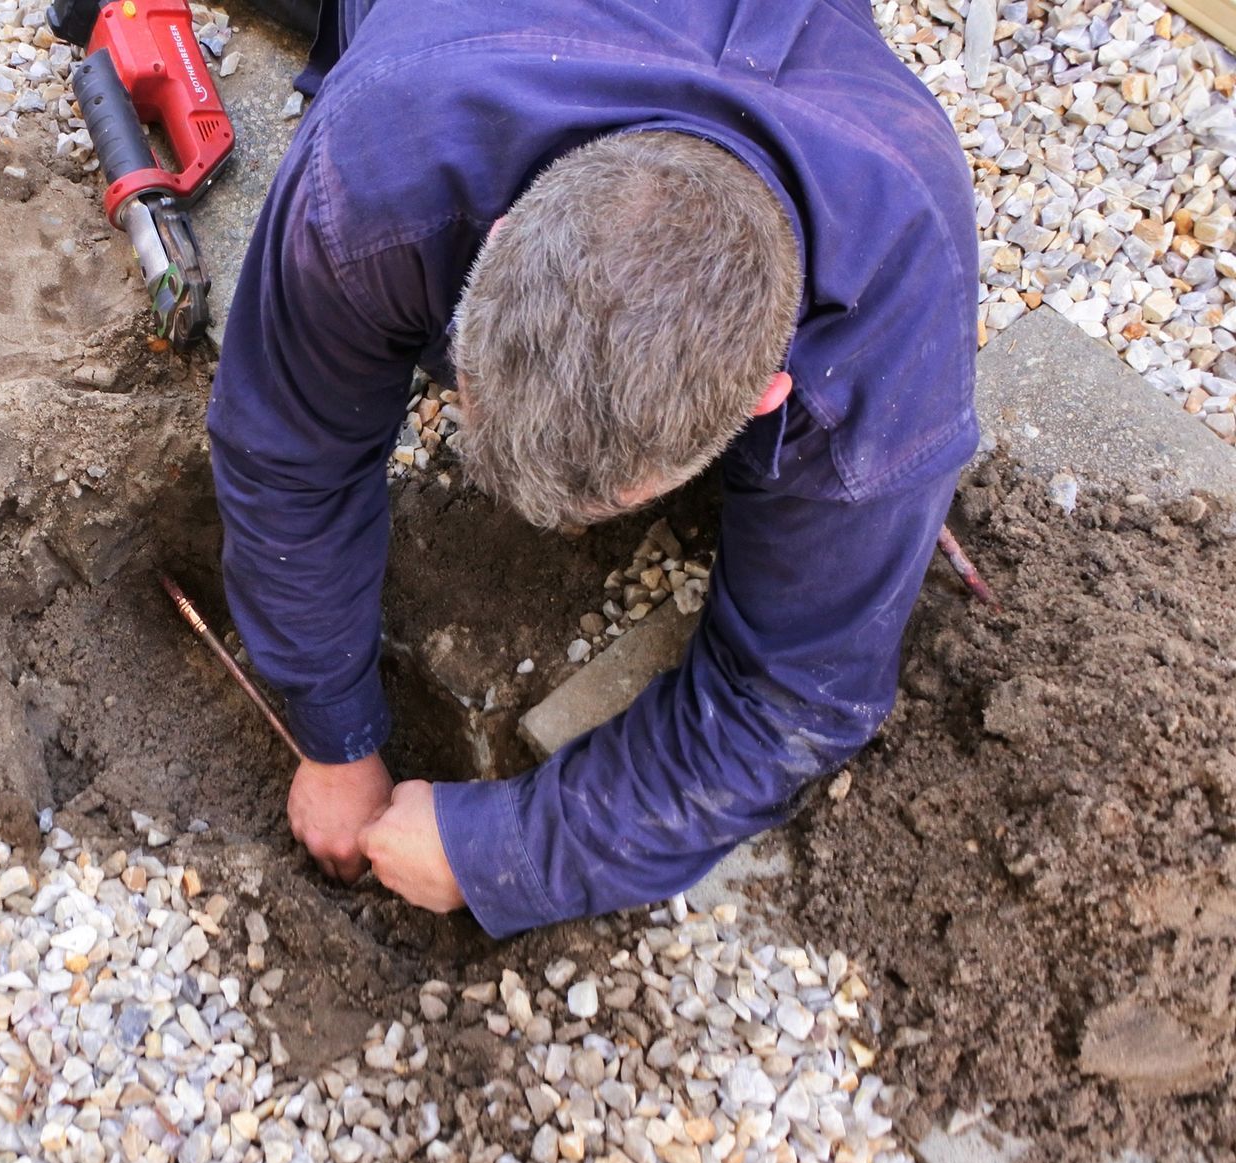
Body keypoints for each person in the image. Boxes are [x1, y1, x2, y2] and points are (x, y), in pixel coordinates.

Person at [207, 0, 980, 937]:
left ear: (765, 400)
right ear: (496, 239)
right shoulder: (378, 156)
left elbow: (789, 704)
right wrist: (332, 732)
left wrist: (499, 852)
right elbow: (287, 452)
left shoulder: (890, 338)